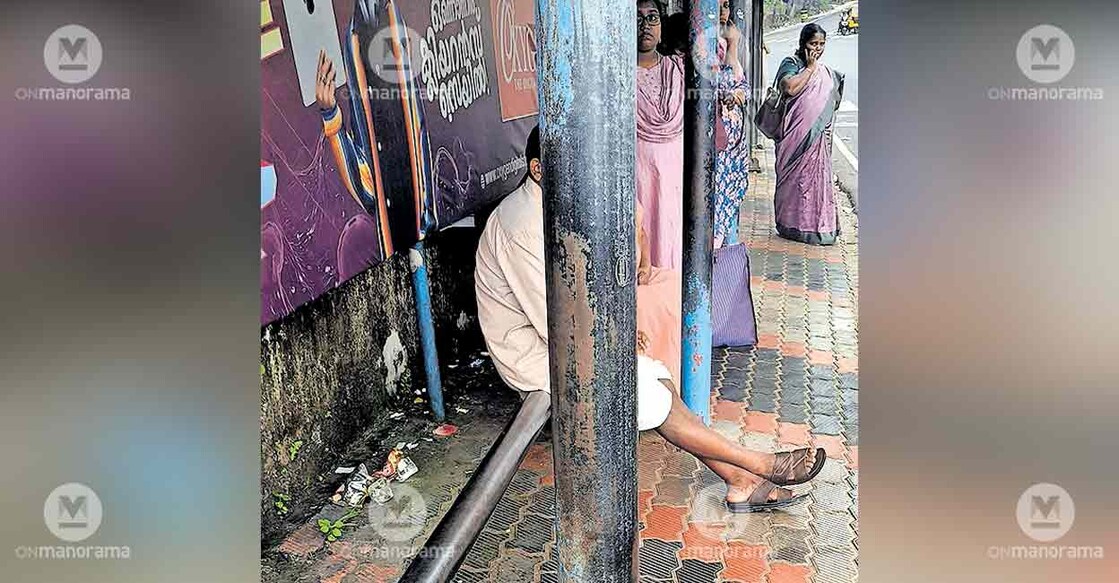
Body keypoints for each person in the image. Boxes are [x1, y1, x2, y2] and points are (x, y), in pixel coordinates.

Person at [475, 127, 825, 511]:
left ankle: (740, 480)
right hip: (533, 356)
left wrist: (618, 333)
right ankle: (757, 464)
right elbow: (555, 322)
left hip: (566, 340)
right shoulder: (521, 224)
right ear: (538, 169)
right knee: (651, 390)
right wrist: (617, 339)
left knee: (659, 382)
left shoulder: (545, 207)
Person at [772, 23, 844, 245]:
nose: (818, 49)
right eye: (814, 43)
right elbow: (789, 88)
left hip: (816, 140)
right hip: (793, 139)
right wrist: (810, 68)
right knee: (793, 181)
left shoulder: (826, 73)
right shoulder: (791, 64)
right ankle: (789, 225)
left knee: (815, 182)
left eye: (822, 44)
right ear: (803, 44)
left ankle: (817, 227)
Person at [636, 0, 684, 270]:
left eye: (652, 18)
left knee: (671, 234)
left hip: (674, 176)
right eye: (638, 19)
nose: (645, 26)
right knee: (643, 231)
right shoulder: (617, 75)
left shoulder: (679, 69)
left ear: (662, 27)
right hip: (639, 175)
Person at [713, 0, 751, 248]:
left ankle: (726, 256)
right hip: (715, 139)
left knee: (729, 202)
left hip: (733, 142)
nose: (723, 11)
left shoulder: (729, 40)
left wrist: (733, 44)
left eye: (726, 4)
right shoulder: (702, 44)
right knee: (714, 200)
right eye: (717, 4)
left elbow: (741, 86)